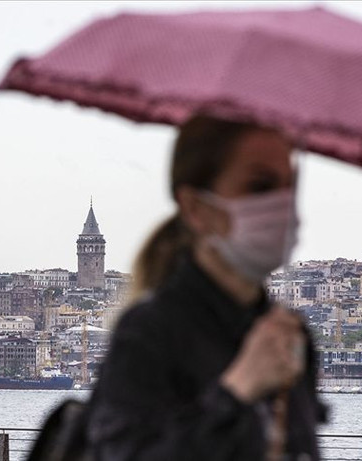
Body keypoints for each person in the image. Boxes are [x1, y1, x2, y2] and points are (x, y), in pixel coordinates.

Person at [87, 114, 327, 461]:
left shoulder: (290, 333)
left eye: (288, 186)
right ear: (196, 208)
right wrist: (238, 391)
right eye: (260, 187)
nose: (281, 205)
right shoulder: (149, 334)